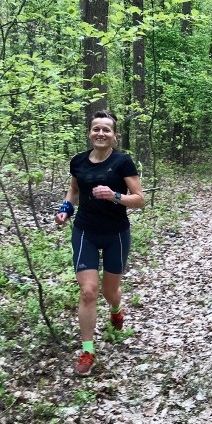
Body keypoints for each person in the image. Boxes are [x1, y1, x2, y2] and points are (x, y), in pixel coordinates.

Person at [55, 110, 145, 376]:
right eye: (96, 129)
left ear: (114, 136)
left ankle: (116, 309)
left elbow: (139, 199)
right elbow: (74, 190)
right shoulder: (78, 161)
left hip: (116, 233)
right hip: (85, 232)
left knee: (109, 292)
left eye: (107, 130)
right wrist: (65, 209)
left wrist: (115, 195)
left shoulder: (122, 162)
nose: (101, 134)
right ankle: (87, 350)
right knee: (88, 291)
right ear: (89, 133)